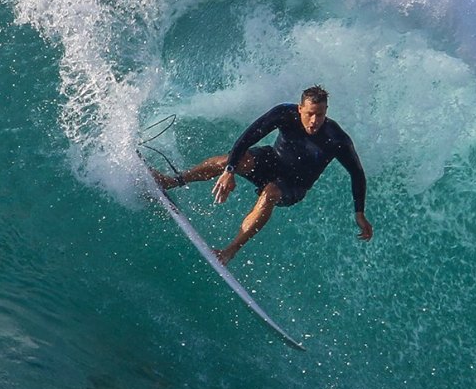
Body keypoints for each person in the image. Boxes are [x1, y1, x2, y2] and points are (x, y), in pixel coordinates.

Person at [154, 86, 374, 263]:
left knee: (270, 193)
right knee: (228, 160)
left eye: (321, 114)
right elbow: (248, 137)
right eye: (310, 114)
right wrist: (229, 171)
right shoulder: (284, 114)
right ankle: (172, 181)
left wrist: (359, 212)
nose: (315, 121)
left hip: (294, 184)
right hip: (272, 160)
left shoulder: (337, 139)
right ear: (300, 109)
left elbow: (357, 173)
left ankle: (229, 251)